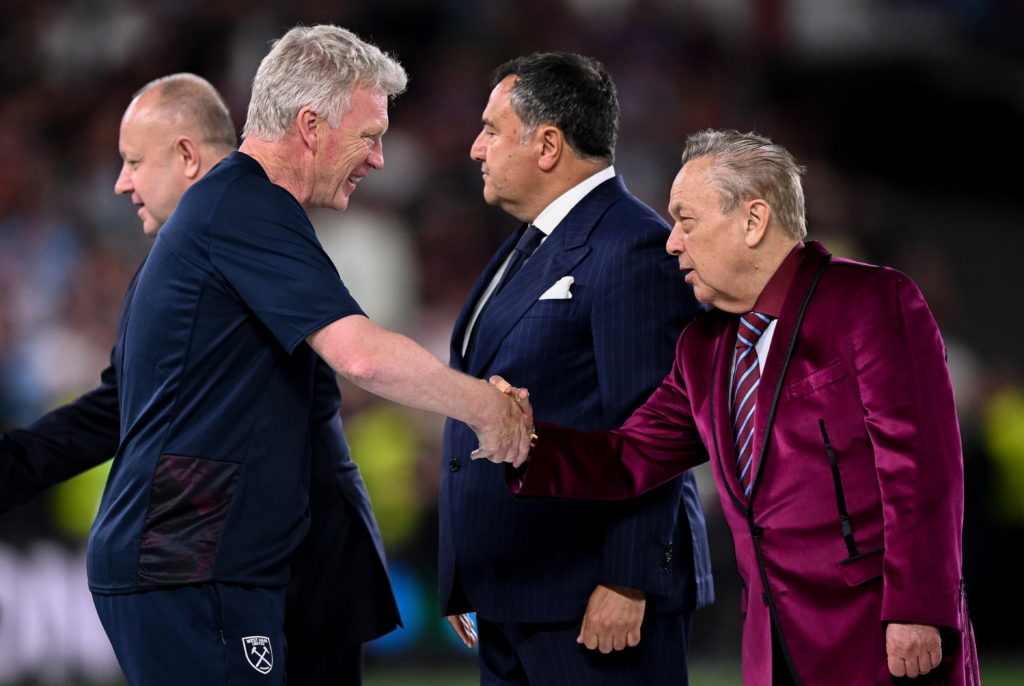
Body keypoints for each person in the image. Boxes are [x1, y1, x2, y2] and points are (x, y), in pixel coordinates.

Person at [75, 26, 530, 686]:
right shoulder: (244, 207)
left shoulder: (241, 208)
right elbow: (361, 356)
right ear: (311, 126)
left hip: (205, 558)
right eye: (369, 135)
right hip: (187, 561)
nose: (378, 158)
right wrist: (489, 407)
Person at [486, 130, 980, 685]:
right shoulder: (703, 347)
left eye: (686, 220)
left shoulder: (870, 300)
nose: (671, 242)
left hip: (880, 636)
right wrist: (522, 438)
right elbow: (629, 456)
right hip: (771, 649)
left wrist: (917, 609)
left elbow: (923, 470)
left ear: (753, 220)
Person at [0, 72, 401, 684]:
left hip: (294, 570)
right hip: (262, 566)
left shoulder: (243, 219)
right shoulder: (190, 253)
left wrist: (479, 405)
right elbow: (122, 407)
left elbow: (357, 359)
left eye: (134, 160)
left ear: (187, 156)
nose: (121, 181)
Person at [440, 53, 713, 686]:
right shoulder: (524, 243)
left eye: (491, 129)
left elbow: (655, 428)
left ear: (548, 144)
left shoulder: (634, 246)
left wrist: (628, 577)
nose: (476, 147)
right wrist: (466, 572)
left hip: (592, 600)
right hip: (516, 593)